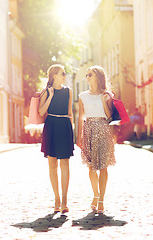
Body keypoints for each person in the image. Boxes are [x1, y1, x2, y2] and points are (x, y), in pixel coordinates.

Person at [77, 66, 116, 214]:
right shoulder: (82, 96)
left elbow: (109, 116)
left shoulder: (107, 95)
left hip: (103, 128)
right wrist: (79, 137)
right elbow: (80, 117)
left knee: (103, 166)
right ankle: (95, 194)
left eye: (90, 75)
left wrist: (104, 100)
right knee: (91, 167)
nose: (87, 77)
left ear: (98, 78)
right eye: (86, 75)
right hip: (89, 129)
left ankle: (101, 200)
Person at [39, 64, 74, 214]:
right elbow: (41, 111)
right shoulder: (46, 92)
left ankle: (65, 201)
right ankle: (57, 198)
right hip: (51, 126)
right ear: (54, 75)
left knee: (64, 163)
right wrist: (50, 95)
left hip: (64, 125)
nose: (65, 76)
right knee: (52, 164)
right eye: (63, 73)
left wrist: (72, 132)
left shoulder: (69, 92)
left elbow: (70, 112)